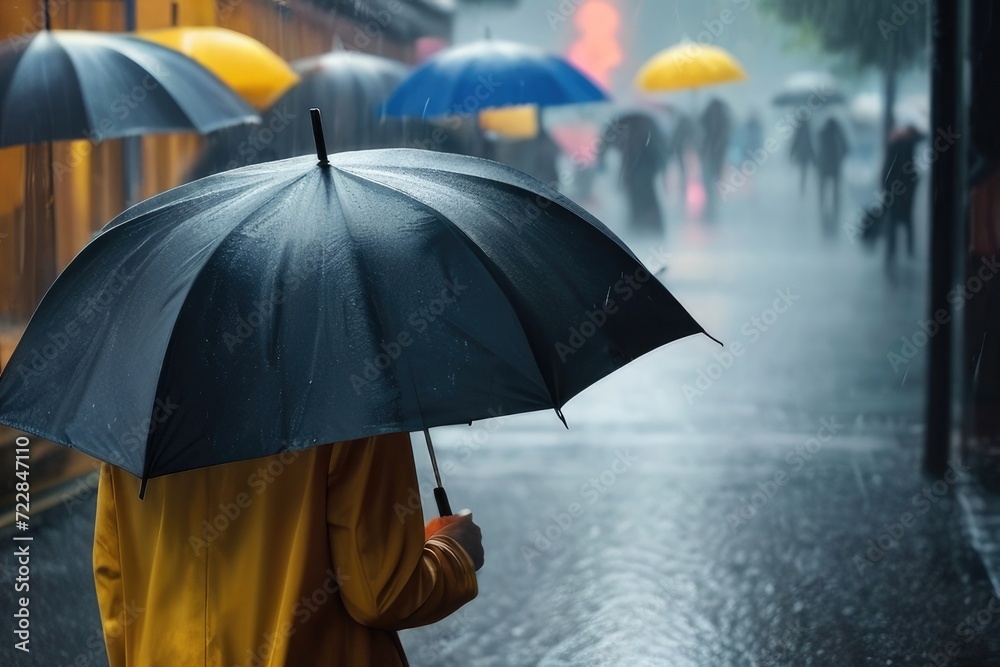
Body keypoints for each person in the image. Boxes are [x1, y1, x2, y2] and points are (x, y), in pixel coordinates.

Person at [93, 432, 483, 666]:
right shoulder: (351, 388)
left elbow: (113, 575)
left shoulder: (137, 404)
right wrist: (454, 551)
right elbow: (382, 591)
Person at [881, 123, 926, 270]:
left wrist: (885, 186)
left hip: (895, 187)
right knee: (906, 219)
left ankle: (894, 251)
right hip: (905, 187)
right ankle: (908, 250)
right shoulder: (907, 145)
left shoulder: (897, 145)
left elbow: (887, 167)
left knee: (895, 219)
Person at [698, 98, 732, 221]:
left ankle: (709, 208)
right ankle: (713, 208)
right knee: (715, 182)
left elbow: (700, 134)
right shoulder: (724, 118)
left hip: (707, 154)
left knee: (708, 182)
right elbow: (727, 136)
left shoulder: (705, 116)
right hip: (718, 155)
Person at [815, 117, 850, 235]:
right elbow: (846, 148)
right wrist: (839, 158)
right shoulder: (838, 133)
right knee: (835, 191)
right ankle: (835, 209)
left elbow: (818, 150)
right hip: (834, 166)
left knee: (823, 191)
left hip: (824, 166)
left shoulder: (822, 133)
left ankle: (823, 210)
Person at [790, 120, 814, 195]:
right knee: (804, 173)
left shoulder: (799, 130)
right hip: (805, 154)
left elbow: (795, 142)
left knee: (802, 173)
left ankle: (802, 190)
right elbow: (810, 144)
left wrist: (791, 154)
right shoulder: (807, 130)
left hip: (801, 154)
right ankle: (802, 190)